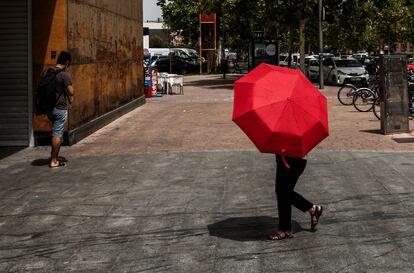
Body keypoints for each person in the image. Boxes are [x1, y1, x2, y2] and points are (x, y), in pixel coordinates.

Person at [268, 154, 323, 240]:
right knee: (283, 192)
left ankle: (285, 230)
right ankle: (312, 208)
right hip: (284, 157)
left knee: (283, 193)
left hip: (292, 159)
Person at [47, 51, 74, 168]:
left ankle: (54, 156)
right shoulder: (64, 75)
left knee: (56, 133)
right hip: (59, 108)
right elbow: (71, 91)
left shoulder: (48, 72)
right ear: (67, 62)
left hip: (48, 108)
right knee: (57, 134)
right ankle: (54, 160)